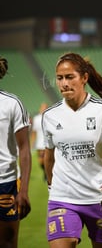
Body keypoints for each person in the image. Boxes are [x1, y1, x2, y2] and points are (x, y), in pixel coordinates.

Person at [42, 52, 102, 248]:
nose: (64, 83)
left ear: (84, 78)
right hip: (62, 198)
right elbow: (49, 157)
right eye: (60, 78)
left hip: (100, 198)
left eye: (69, 77)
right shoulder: (50, 115)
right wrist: (52, 187)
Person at [0, 56, 32, 248]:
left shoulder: (12, 103)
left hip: (7, 183)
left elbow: (25, 149)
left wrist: (24, 190)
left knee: (8, 243)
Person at [30, 102, 48, 181]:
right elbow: (34, 131)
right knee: (41, 160)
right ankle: (45, 171)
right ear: (40, 108)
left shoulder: (50, 117)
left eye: (45, 107)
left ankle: (47, 173)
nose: (44, 109)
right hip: (39, 143)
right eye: (43, 107)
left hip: (48, 142)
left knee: (46, 158)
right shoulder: (36, 118)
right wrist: (32, 142)